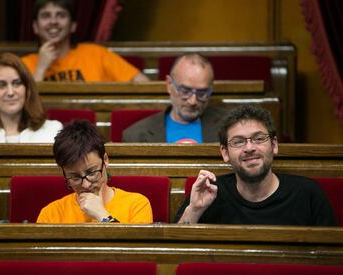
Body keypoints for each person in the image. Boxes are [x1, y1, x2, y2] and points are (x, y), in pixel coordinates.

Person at [175, 105, 337, 226]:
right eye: (238, 142)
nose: (249, 148)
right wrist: (195, 210)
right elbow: (175, 252)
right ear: (225, 152)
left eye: (258, 139)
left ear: (274, 145)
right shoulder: (209, 192)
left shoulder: (308, 193)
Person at [37, 120, 153, 223]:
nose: (86, 185)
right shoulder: (50, 214)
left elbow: (132, 247)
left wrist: (102, 215)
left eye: (92, 173)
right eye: (75, 178)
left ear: (105, 160)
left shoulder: (137, 205)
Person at [21, 0, 149, 82]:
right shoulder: (23, 65)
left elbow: (144, 86)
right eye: (46, 16)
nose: (53, 21)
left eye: (61, 15)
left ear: (73, 26)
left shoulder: (97, 54)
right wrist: (40, 69)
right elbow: (23, 110)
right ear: (35, 27)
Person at [122, 53, 226, 143]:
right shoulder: (136, 135)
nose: (193, 101)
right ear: (169, 85)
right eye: (185, 91)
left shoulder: (229, 127)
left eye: (202, 93)